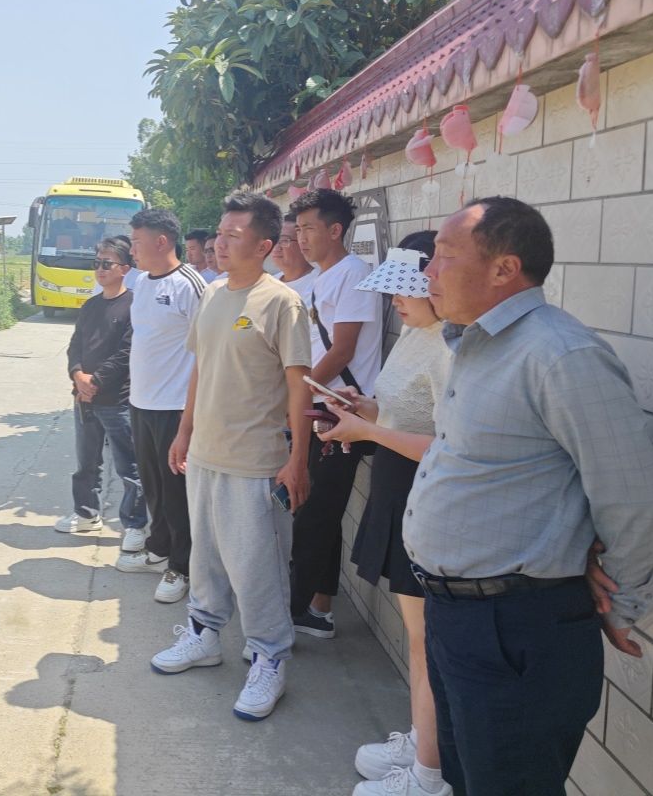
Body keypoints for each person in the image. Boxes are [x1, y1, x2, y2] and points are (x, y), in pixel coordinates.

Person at [407, 197, 653, 796]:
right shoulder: (477, 344)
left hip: (515, 629)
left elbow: (636, 498)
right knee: (468, 780)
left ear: (504, 268)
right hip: (459, 619)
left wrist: (621, 603)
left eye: (444, 257)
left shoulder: (560, 354)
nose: (429, 273)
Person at [153, 191, 313, 722]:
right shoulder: (214, 294)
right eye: (219, 234)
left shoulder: (282, 302)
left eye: (232, 236)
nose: (218, 244)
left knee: (257, 566)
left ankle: (270, 658)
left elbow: (299, 387)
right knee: (206, 556)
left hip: (257, 461)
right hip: (205, 455)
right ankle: (204, 635)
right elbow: (200, 368)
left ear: (264, 245)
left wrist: (298, 460)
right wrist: (185, 431)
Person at [313, 233, 452, 796]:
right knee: (419, 637)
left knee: (426, 641)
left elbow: (452, 448)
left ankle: (429, 774)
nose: (394, 301)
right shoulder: (416, 334)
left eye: (404, 290)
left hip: (426, 498)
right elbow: (402, 413)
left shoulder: (453, 347)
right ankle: (423, 741)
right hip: (398, 491)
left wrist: (369, 430)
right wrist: (366, 410)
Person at [289, 188, 383, 638]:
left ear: (335, 230)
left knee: (314, 515)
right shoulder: (321, 277)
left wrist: (298, 394)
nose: (301, 238)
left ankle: (290, 614)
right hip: (320, 407)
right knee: (319, 510)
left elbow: (343, 348)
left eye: (309, 228)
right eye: (298, 229)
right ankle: (318, 608)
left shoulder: (354, 274)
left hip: (341, 412)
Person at [118, 208, 205, 603]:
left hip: (175, 406)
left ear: (162, 242)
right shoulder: (140, 282)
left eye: (137, 242)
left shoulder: (190, 285)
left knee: (177, 491)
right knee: (153, 485)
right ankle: (159, 549)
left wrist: (192, 414)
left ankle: (182, 567)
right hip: (142, 403)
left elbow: (207, 351)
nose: (132, 250)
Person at [56, 235, 148, 553]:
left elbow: (127, 353)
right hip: (84, 399)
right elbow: (75, 346)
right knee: (86, 462)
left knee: (129, 467)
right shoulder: (91, 305)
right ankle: (86, 513)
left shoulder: (135, 305)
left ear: (125, 268)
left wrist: (95, 381)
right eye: (96, 263)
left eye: (107, 264)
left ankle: (134, 524)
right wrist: (77, 375)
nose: (100, 269)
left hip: (116, 401)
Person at [272, 213, 316, 304]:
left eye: (284, 240)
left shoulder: (320, 284)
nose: (276, 247)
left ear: (302, 243)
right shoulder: (268, 284)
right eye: (274, 240)